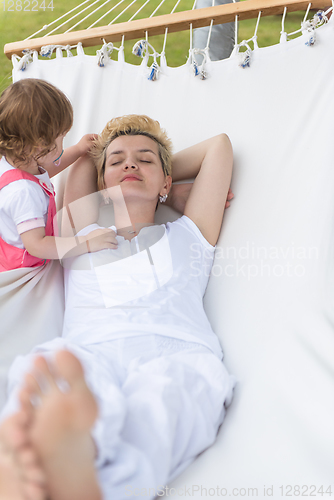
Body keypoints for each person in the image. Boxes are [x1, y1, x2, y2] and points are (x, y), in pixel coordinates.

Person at [0, 114, 234, 500]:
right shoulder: (79, 233)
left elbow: (219, 147)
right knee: (51, 375)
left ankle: (82, 480)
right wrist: (140, 175)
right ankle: (51, 455)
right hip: (90, 352)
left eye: (145, 159)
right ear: (100, 184)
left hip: (176, 352)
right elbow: (87, 157)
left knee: (165, 399)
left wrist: (167, 187)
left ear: (167, 178)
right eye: (118, 162)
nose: (130, 164)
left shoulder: (191, 234)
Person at [0, 79, 116, 272]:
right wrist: (86, 242)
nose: (64, 139)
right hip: (26, 274)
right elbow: (37, 245)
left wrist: (78, 149)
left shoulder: (17, 164)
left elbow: (47, 170)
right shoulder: (23, 193)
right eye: (62, 135)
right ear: (41, 145)